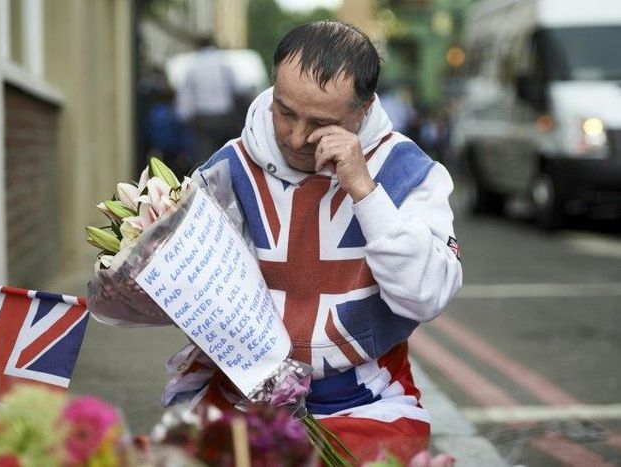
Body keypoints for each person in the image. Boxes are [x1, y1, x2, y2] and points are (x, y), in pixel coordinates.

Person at [169, 21, 463, 463]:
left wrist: (365, 190)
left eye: (321, 123)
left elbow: (427, 296)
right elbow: (181, 293)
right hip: (240, 398)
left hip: (367, 401)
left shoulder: (410, 173)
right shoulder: (227, 168)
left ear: (362, 111)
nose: (296, 137)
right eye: (285, 111)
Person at [176, 35, 239, 168]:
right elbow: (235, 87)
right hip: (223, 115)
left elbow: (187, 95)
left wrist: (183, 117)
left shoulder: (193, 65)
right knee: (225, 156)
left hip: (203, 117)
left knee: (204, 157)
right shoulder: (224, 62)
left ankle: (206, 185)